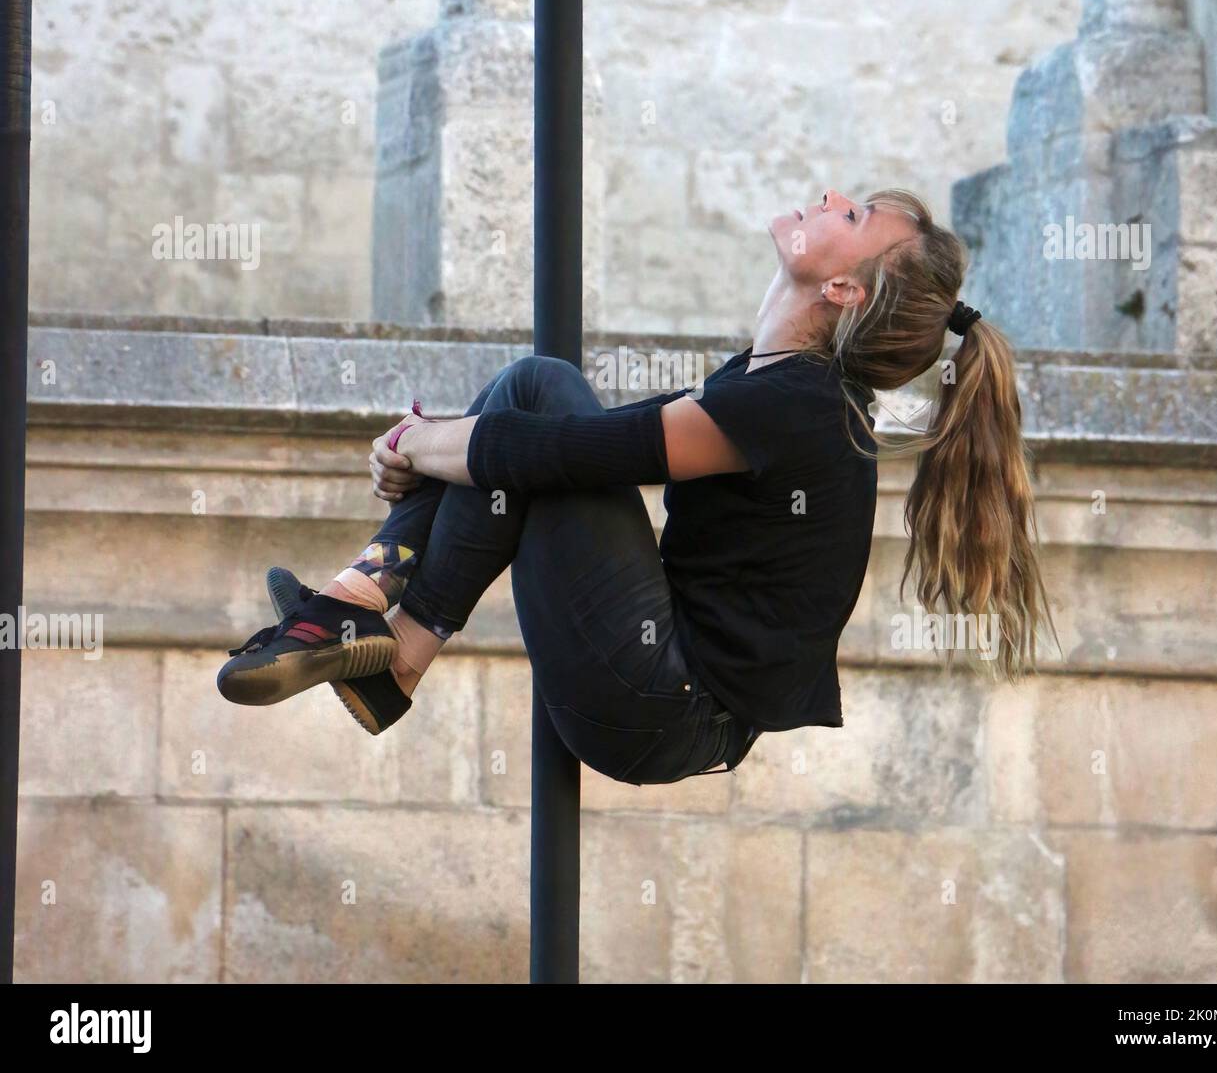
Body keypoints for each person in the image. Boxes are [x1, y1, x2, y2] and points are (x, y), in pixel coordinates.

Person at [217, 188, 1055, 786]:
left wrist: (413, 440)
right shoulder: (775, 388)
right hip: (667, 698)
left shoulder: (799, 405)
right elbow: (565, 447)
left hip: (667, 701)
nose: (831, 196)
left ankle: (373, 628)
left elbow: (586, 447)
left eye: (854, 215)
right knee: (531, 423)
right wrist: (430, 449)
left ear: (844, 289)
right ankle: (370, 627)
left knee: (540, 398)